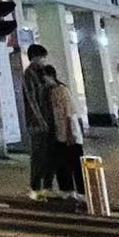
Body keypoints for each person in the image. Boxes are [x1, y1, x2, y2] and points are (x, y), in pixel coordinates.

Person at [43, 64, 86, 205]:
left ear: (51, 76)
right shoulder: (51, 92)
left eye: (44, 77)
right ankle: (67, 190)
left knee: (75, 163)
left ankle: (81, 191)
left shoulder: (62, 90)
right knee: (62, 163)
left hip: (69, 132)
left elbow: (68, 114)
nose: (43, 81)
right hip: (58, 133)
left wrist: (69, 134)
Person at [22, 43, 56, 200]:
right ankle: (35, 187)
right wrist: (40, 120)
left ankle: (47, 187)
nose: (43, 60)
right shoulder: (29, 74)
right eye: (41, 57)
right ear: (34, 57)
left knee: (50, 155)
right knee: (38, 155)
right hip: (36, 123)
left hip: (49, 119)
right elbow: (31, 100)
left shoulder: (42, 72)